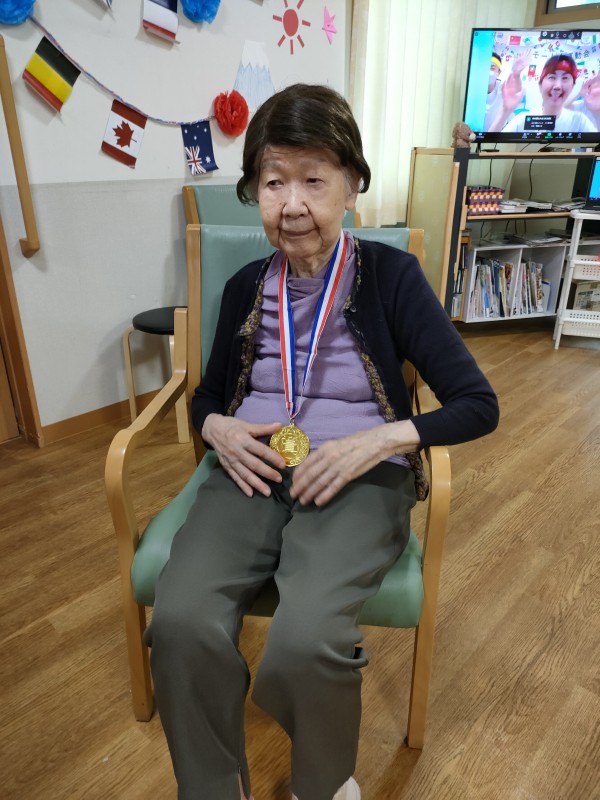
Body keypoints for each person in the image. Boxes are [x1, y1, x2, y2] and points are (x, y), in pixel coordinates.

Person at [144, 83, 499, 800]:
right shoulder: (246, 286)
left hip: (362, 475)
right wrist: (215, 427)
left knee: (307, 639)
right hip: (252, 468)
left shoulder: (392, 277)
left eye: (314, 180)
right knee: (179, 621)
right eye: (274, 181)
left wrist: (378, 441)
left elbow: (477, 404)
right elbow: (207, 396)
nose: (293, 203)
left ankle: (323, 782)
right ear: (254, 190)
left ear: (352, 185)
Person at [489, 53, 596, 134]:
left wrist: (597, 112)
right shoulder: (522, 120)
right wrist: (505, 111)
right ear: (540, 85)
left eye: (565, 78)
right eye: (552, 77)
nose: (557, 86)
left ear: (573, 85)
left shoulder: (580, 121)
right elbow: (489, 145)